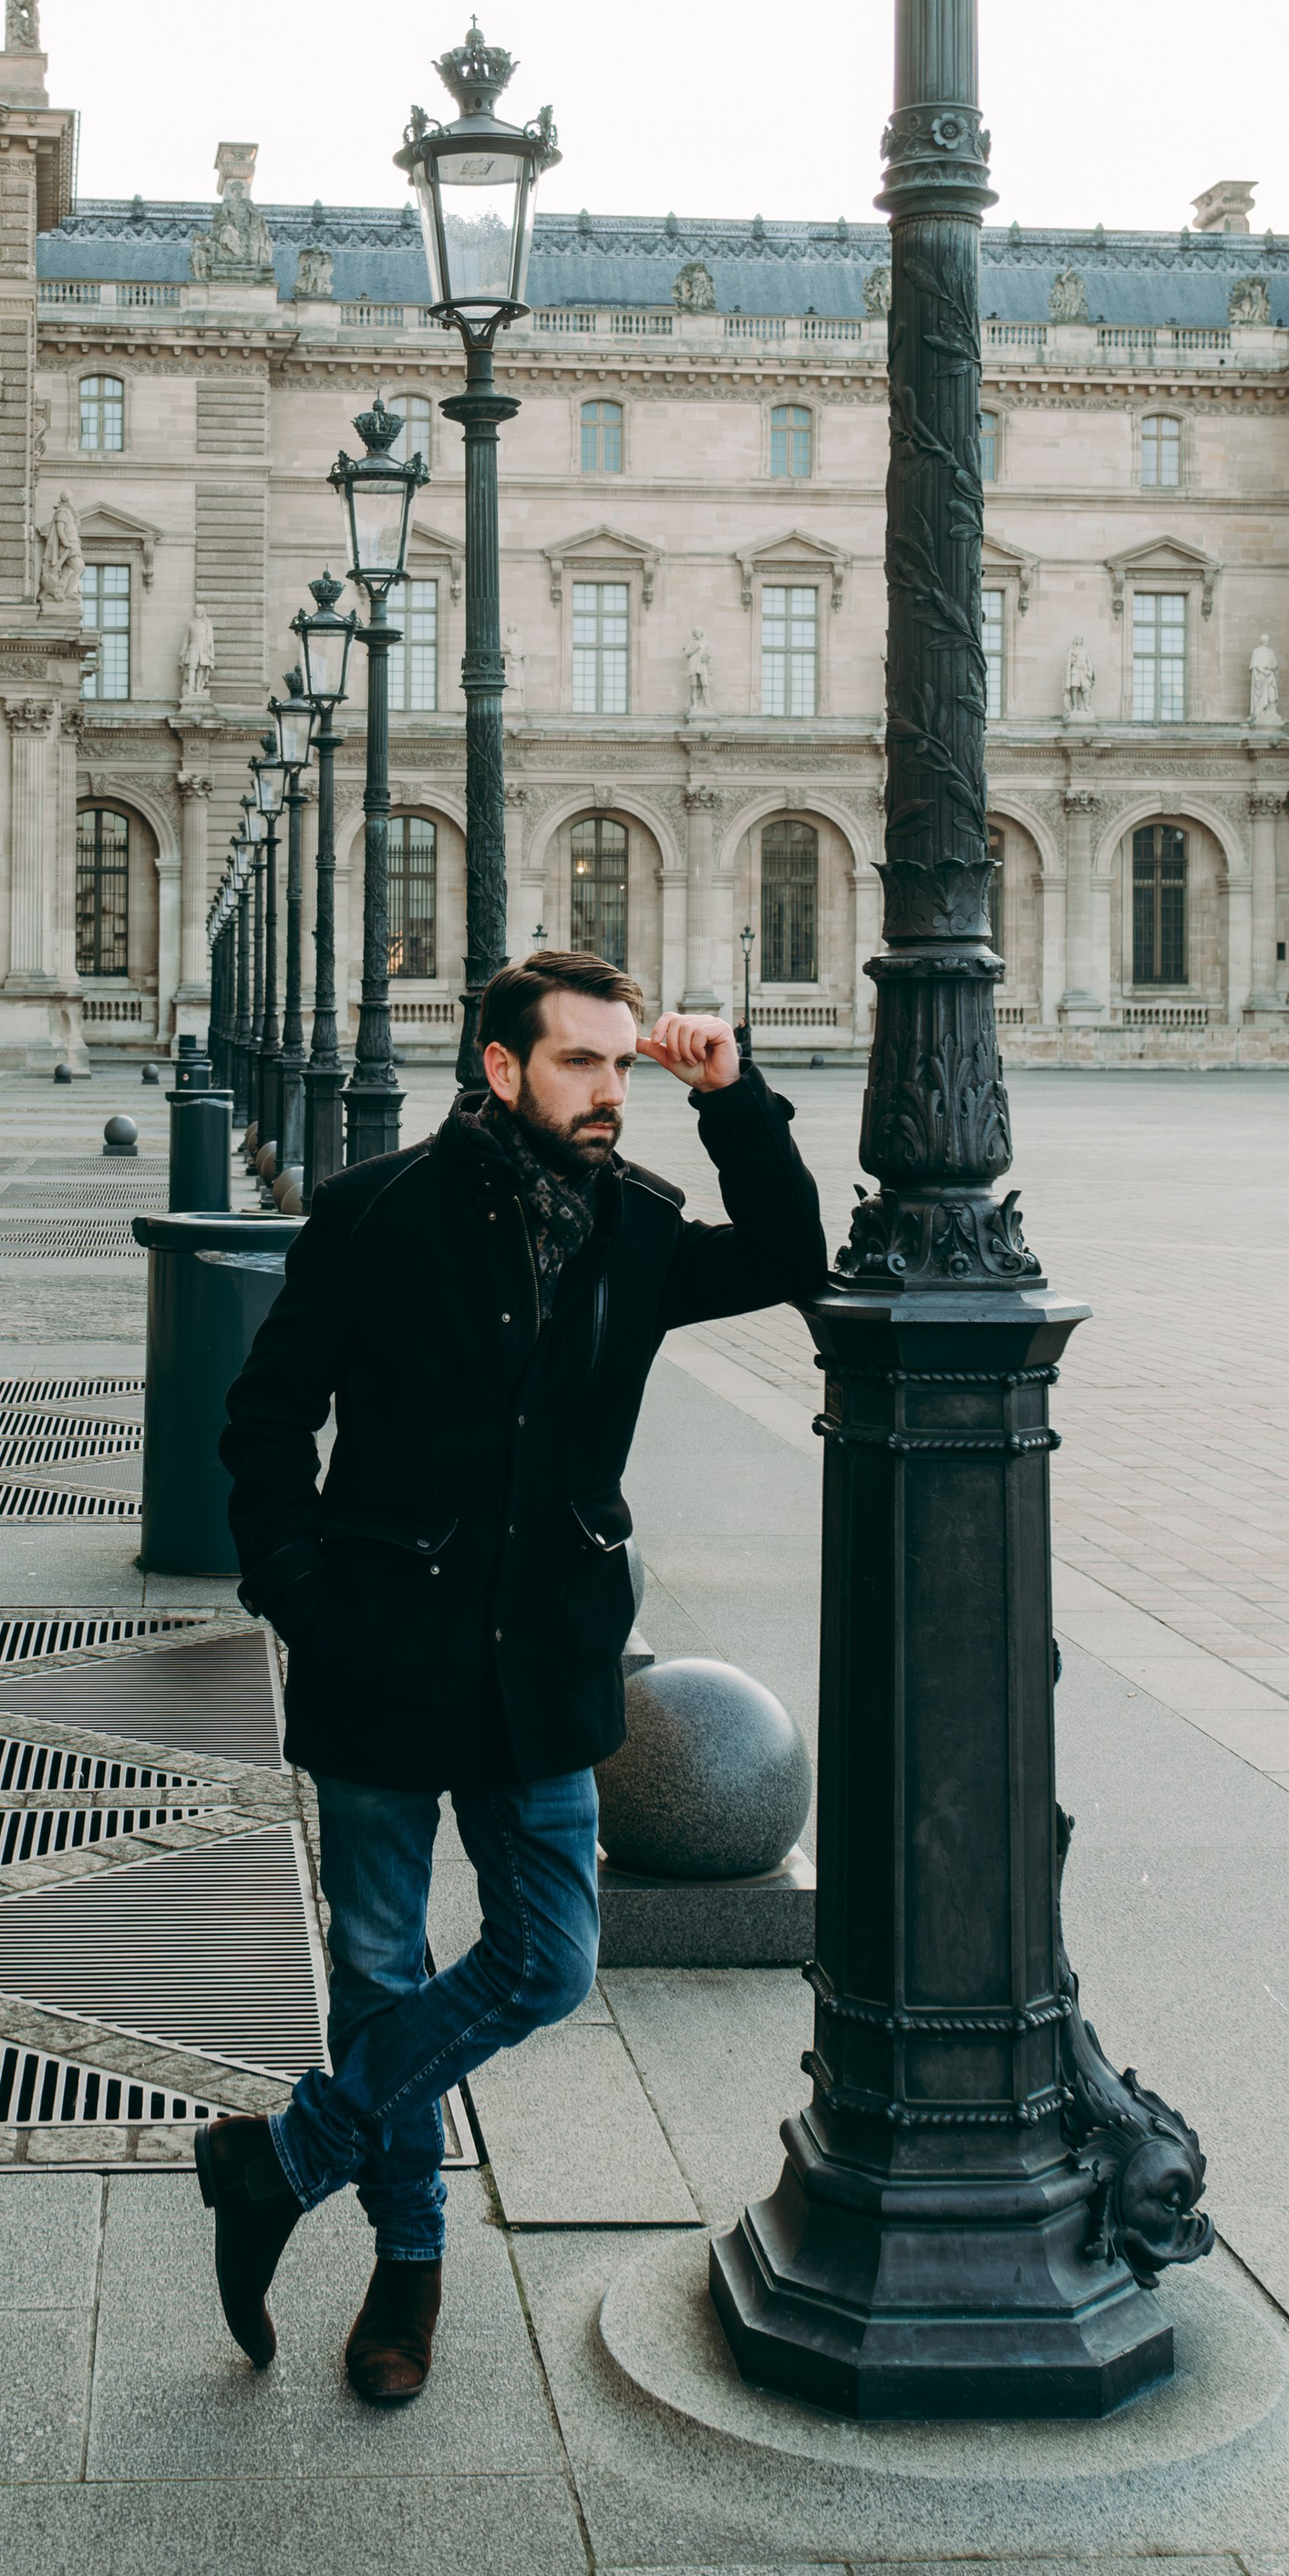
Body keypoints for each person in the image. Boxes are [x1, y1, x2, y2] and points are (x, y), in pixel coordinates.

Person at [206, 945, 827, 2403]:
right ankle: (408, 2264)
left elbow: (796, 1259)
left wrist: (733, 1099)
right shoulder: (371, 1214)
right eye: (581, 1063)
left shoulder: (637, 1226)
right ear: (502, 1067)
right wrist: (303, 1600)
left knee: (550, 1962)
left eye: (622, 1064)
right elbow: (265, 1419)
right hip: (378, 1654)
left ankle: (281, 2156)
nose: (611, 1091)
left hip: (546, 1661)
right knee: (380, 1968)